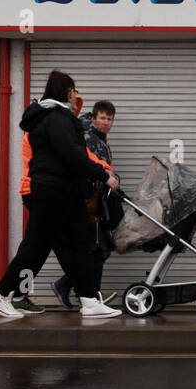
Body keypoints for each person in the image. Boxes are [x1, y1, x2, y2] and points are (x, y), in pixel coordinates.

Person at [0, 71, 122, 318]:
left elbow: (72, 149)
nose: (75, 95)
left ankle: (89, 300)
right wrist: (103, 174)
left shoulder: (56, 116)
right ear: (64, 91)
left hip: (64, 192)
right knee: (35, 248)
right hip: (52, 192)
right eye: (72, 90)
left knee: (79, 244)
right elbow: (72, 154)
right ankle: (1, 294)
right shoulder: (55, 118)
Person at [53, 99, 123, 309]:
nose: (106, 122)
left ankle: (73, 287)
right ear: (93, 118)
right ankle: (90, 295)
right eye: (102, 118)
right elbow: (87, 166)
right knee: (97, 248)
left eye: (109, 119)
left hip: (96, 201)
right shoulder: (88, 137)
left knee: (99, 248)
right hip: (86, 203)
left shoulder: (100, 138)